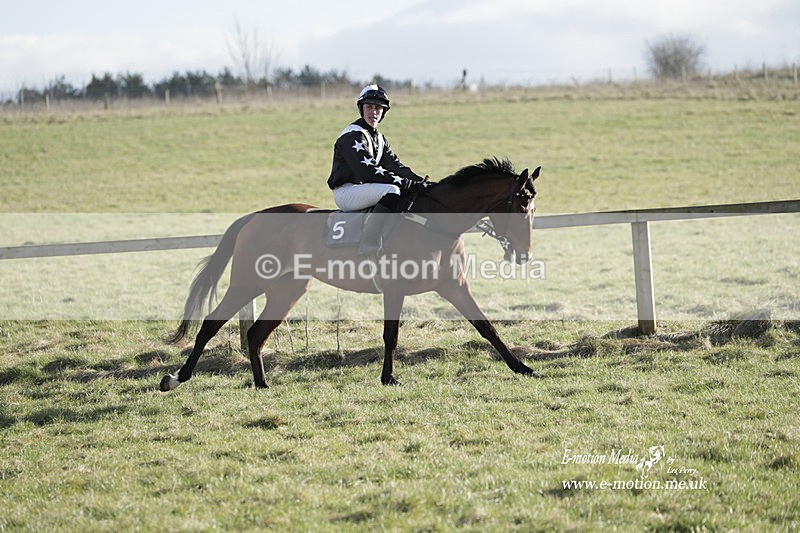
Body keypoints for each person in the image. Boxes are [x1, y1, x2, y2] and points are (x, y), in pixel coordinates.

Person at [327, 84, 425, 254]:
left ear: (383, 112)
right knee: (392, 190)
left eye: (378, 108)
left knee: (406, 192)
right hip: (346, 193)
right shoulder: (352, 135)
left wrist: (424, 184)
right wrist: (405, 183)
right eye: (369, 107)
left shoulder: (379, 139)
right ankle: (368, 241)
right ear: (361, 109)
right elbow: (368, 171)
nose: (373, 112)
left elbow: (397, 167)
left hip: (365, 190)